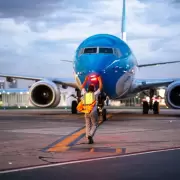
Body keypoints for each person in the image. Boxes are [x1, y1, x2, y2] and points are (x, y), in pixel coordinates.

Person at [78, 75, 102, 144]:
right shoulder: (94, 94)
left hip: (86, 112)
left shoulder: (85, 94)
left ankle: (88, 136)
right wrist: (99, 79)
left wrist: (85, 80)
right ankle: (90, 135)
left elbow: (82, 87)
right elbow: (100, 88)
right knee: (95, 124)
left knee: (88, 125)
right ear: (93, 89)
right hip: (93, 111)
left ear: (88, 89)